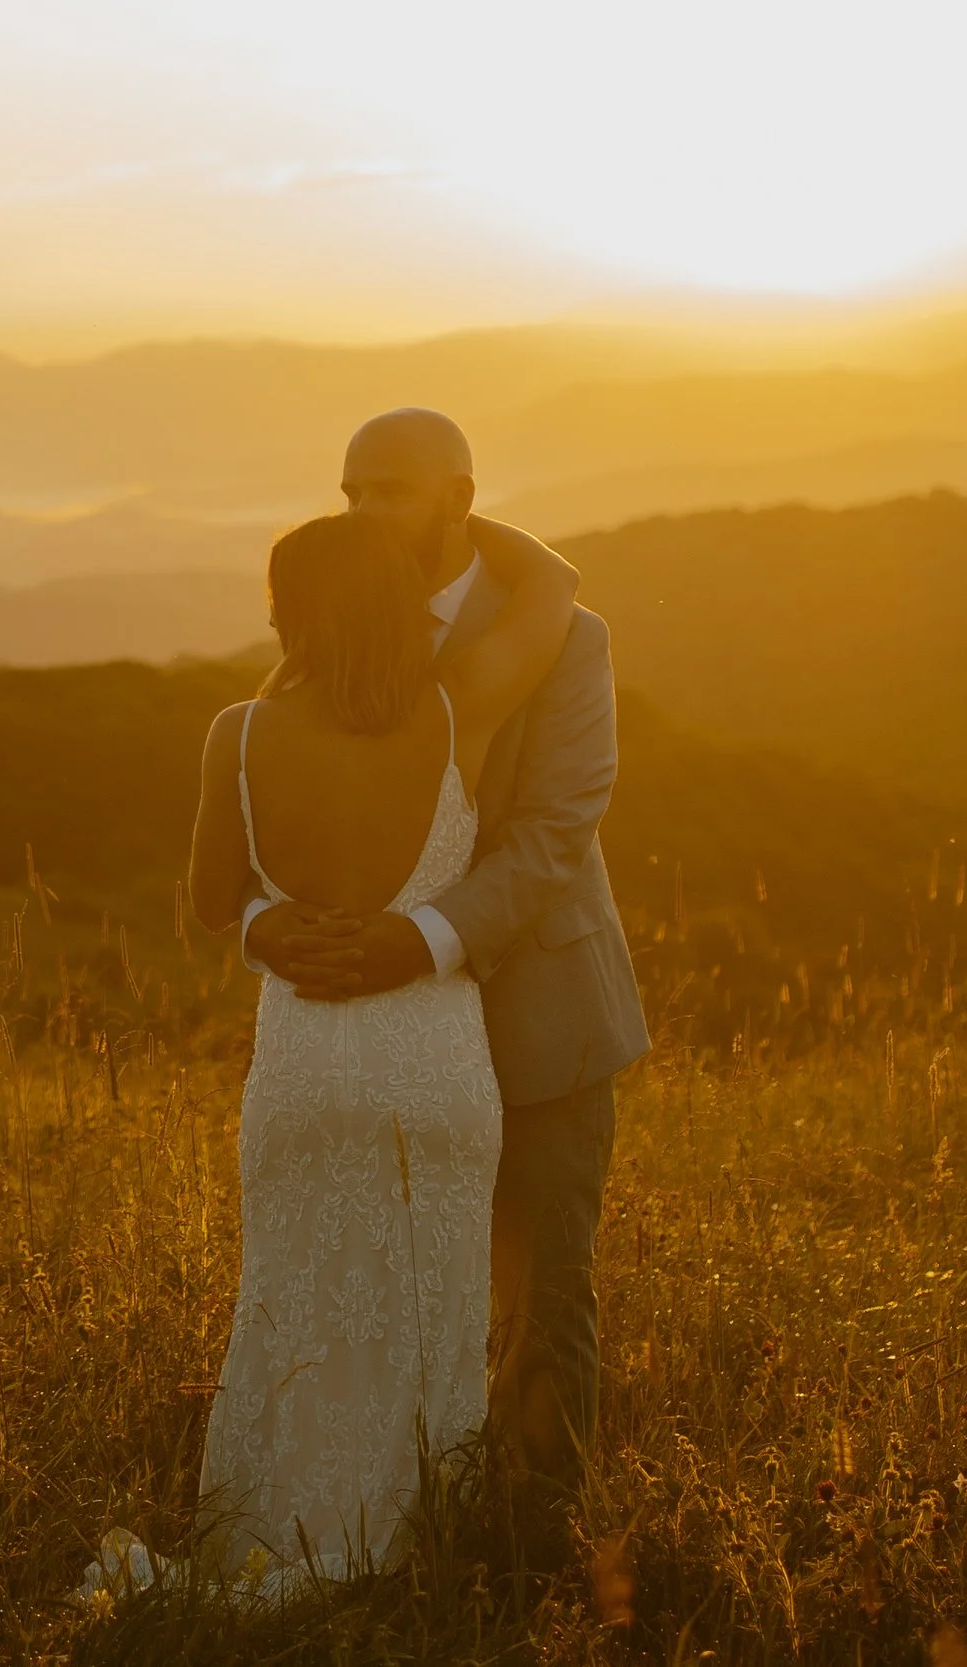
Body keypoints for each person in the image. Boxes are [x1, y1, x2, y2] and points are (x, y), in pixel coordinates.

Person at [246, 409, 650, 1554]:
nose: (359, 514)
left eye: (388, 492)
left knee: (541, 1298)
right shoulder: (331, 631)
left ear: (458, 497)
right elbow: (289, 799)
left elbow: (553, 832)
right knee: (397, 1284)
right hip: (380, 1028)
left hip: (537, 1015)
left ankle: (527, 1550)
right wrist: (284, 929)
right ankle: (390, 1524)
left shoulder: (568, 640)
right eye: (347, 491)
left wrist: (417, 938)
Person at [176, 499, 577, 1584]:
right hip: (431, 1060)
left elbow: (212, 904)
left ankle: (277, 1542)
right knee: (428, 1316)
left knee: (294, 1307)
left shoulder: (238, 732)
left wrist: (273, 922)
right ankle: (407, 1557)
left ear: (286, 611)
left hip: (305, 1061)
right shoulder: (460, 710)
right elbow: (553, 585)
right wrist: (445, 504)